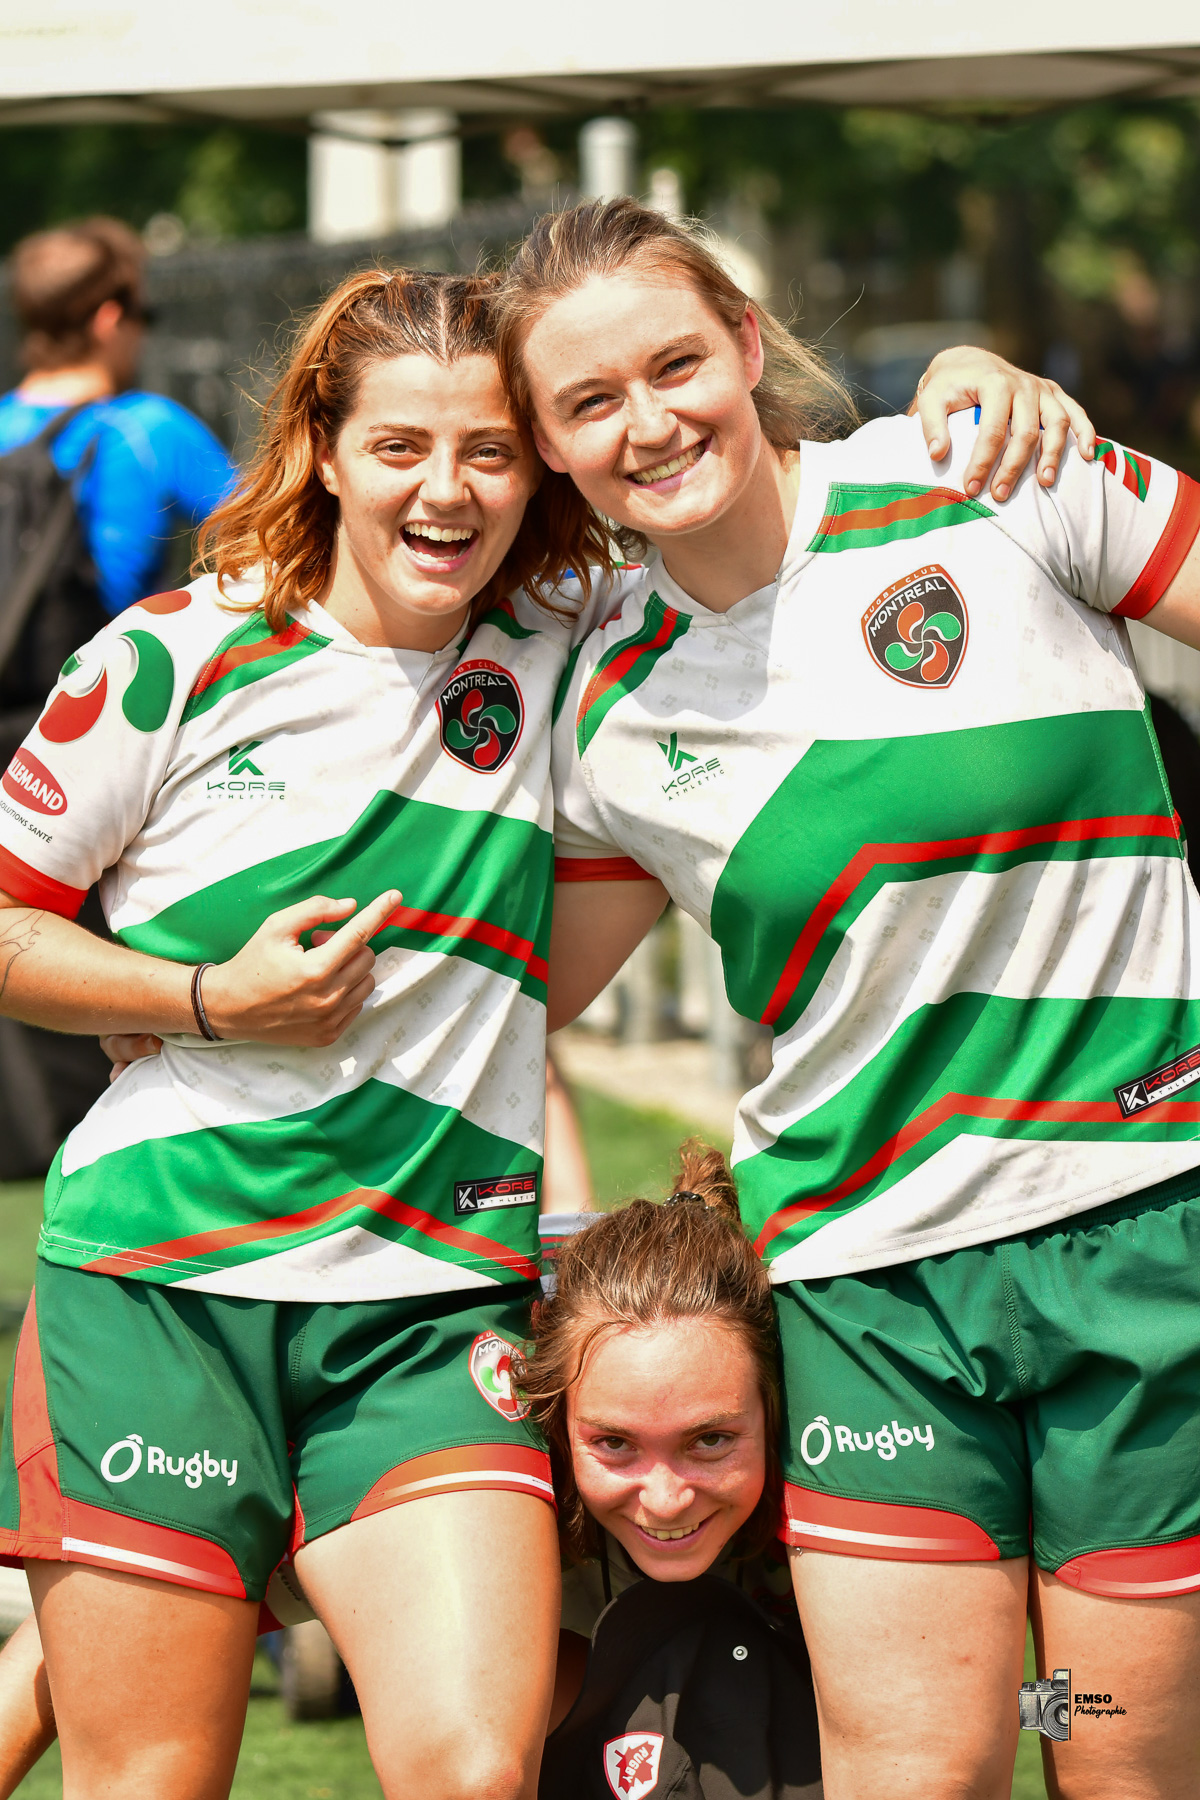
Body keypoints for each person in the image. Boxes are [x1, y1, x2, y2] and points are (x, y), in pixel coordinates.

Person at [0, 245, 1084, 1793]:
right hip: (162, 1295)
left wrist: (971, 381)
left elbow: (751, 523)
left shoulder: (571, 647)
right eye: (398, 447)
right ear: (318, 447)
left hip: (426, 1307)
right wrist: (197, 998)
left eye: (489, 451)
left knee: (473, 1766)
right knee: (157, 1777)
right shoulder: (171, 654)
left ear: (537, 468)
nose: (446, 491)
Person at [493, 198, 1200, 1800]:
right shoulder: (605, 693)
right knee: (917, 1769)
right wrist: (188, 1013)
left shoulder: (990, 475)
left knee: (1106, 1757)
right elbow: (510, 994)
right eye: (588, 405)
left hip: (1146, 1236)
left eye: (674, 364)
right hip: (867, 1283)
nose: (648, 422)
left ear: (748, 345)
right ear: (548, 446)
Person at [0, 217, 237, 1176]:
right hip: (93, 747)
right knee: (119, 1007)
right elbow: (277, 552)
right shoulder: (148, 430)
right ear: (108, 318)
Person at [514, 1142, 823, 1798]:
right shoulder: (507, 1510)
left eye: (710, 1440)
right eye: (615, 1444)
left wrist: (1063, 1727)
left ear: (776, 1409)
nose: (665, 1499)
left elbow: (1060, 1685)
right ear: (557, 1422)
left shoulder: (847, 1493)